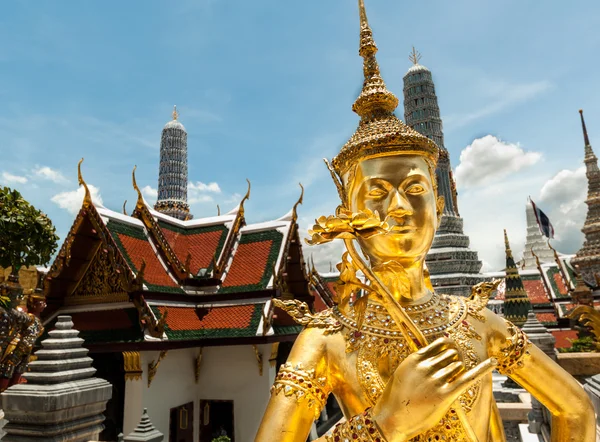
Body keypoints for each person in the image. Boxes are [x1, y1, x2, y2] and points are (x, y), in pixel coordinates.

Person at [254, 1, 595, 441]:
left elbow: (578, 410)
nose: (398, 208)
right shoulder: (326, 338)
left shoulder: (477, 322)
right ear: (348, 211)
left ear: (439, 200)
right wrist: (386, 424)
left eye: (415, 189)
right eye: (376, 192)